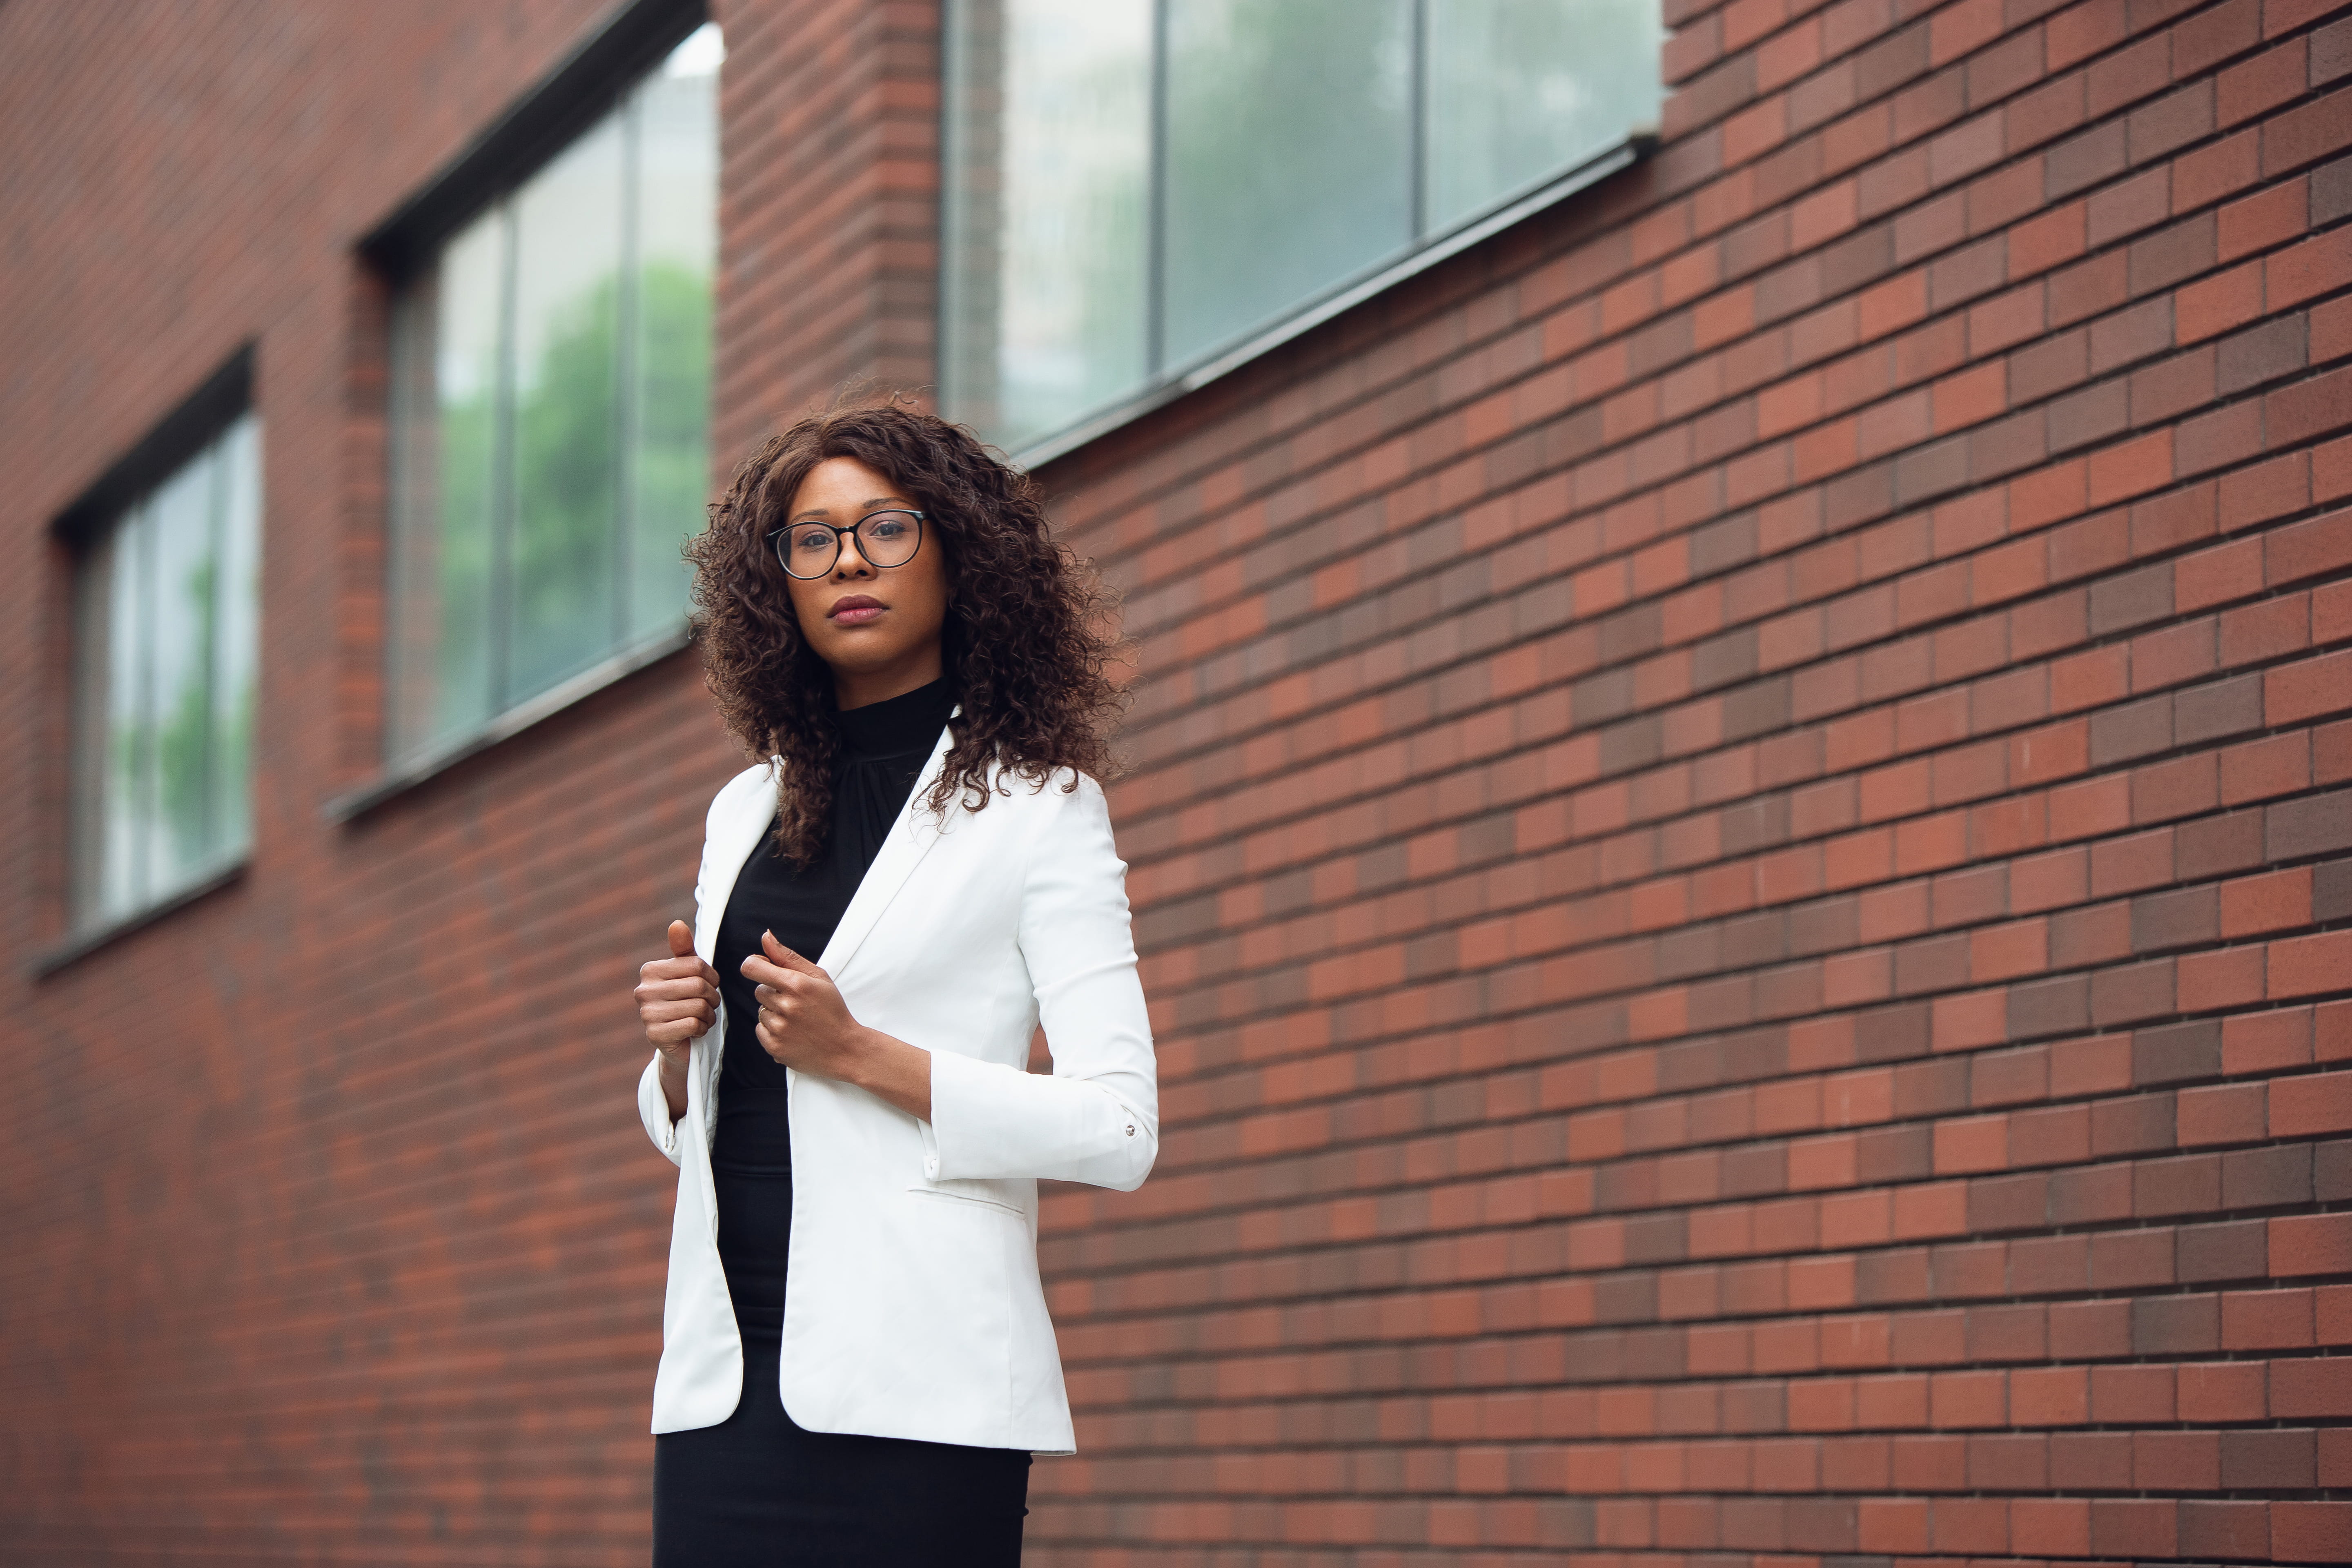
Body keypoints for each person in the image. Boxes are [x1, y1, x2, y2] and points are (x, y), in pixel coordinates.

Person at [628, 398, 1156, 1565]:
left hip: (925, 1391)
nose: (849, 562)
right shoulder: (745, 808)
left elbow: (1121, 1127)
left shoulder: (1041, 808)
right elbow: (716, 1118)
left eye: (887, 528)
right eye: (812, 540)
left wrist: (863, 1053)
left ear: (960, 555)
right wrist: (678, 1057)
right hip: (726, 1384)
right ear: (776, 584)